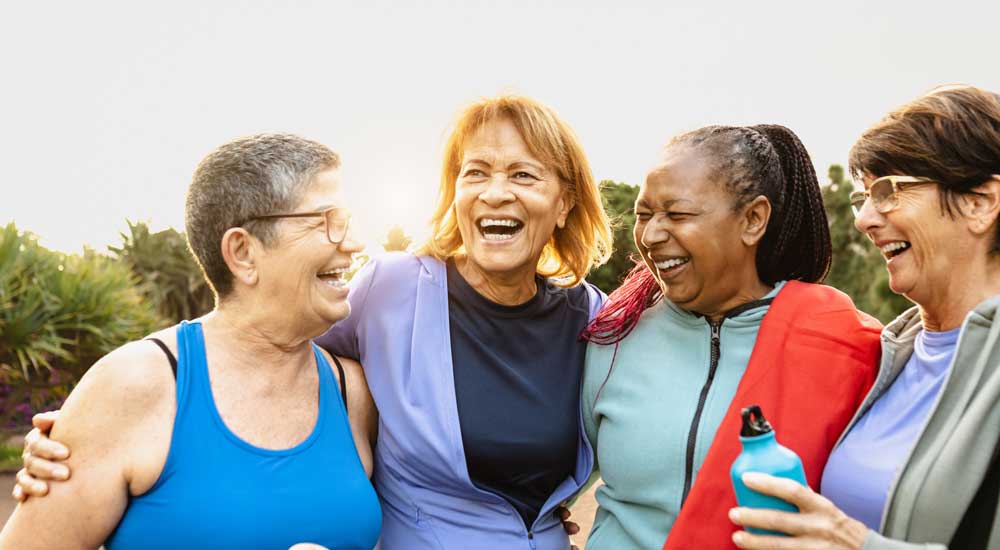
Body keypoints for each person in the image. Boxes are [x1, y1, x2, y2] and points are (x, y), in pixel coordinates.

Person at [14, 96, 613, 550]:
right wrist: (94, 421)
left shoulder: (594, 319)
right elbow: (253, 333)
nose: (355, 245)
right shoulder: (393, 290)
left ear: (565, 202)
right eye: (474, 172)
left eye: (524, 175)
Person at [1, 134, 382, 549]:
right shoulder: (133, 385)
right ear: (242, 253)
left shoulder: (355, 393)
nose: (353, 243)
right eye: (326, 221)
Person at [575, 124, 882, 549]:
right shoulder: (613, 336)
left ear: (753, 219)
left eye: (677, 215)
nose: (650, 236)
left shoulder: (844, 345)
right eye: (644, 214)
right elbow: (550, 475)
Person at [728, 86, 1000, 549]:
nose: (864, 219)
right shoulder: (889, 353)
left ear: (980, 202)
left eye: (888, 191)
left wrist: (857, 545)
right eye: (862, 198)